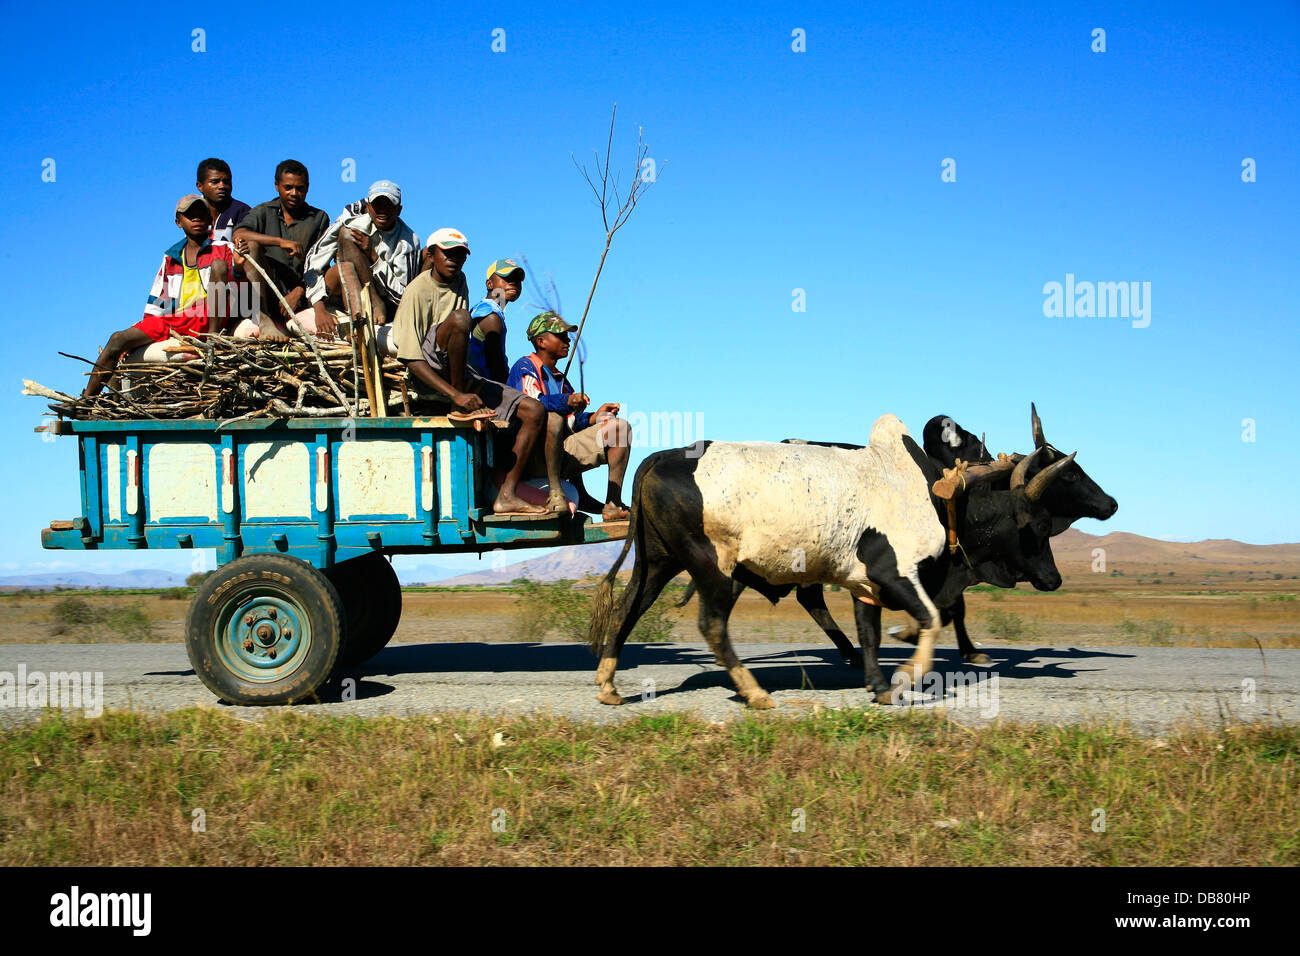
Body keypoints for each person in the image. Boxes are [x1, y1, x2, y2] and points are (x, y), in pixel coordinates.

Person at [392, 229, 550, 515]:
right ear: (431, 255)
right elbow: (410, 357)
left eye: (460, 255)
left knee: (534, 411)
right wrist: (457, 395)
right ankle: (458, 405)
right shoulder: (419, 291)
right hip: (428, 366)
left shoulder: (460, 282)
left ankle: (507, 494)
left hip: (458, 371)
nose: (454, 260)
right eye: (447, 253)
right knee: (461, 318)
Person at [84, 195, 234, 397]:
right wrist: (140, 337)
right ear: (178, 222)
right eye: (190, 216)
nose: (197, 220)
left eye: (201, 215)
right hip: (177, 320)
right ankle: (87, 399)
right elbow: (157, 302)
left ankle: (212, 341)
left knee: (219, 267)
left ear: (210, 220)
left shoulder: (223, 249)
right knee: (118, 339)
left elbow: (236, 286)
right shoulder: (171, 257)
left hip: (211, 316)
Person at [507, 312, 632, 520]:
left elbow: (573, 422)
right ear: (541, 341)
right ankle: (556, 494)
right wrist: (566, 401)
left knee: (619, 428)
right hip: (531, 456)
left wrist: (595, 418)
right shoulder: (525, 367)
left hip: (560, 452)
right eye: (561, 336)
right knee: (552, 419)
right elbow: (533, 405)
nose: (567, 341)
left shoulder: (561, 380)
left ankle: (613, 504)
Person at [302, 180, 421, 336]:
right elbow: (315, 258)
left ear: (399, 210)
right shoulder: (353, 220)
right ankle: (362, 312)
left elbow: (402, 296)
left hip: (386, 300)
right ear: (369, 207)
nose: (382, 211)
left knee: (348, 253)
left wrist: (372, 254)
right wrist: (318, 307)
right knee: (346, 237)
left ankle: (369, 310)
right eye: (378, 205)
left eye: (389, 206)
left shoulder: (408, 241)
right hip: (341, 287)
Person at [231, 160, 330, 342]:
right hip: (269, 290)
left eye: (300, 188)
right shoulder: (263, 211)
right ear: (277, 186)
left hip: (302, 291)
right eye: (288, 187)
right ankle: (263, 316)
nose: (294, 193)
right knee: (251, 246)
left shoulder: (319, 218)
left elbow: (322, 263)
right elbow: (239, 234)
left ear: (307, 188)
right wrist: (280, 242)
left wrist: (299, 291)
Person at [467, 258, 524, 381]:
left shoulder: (486, 309)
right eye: (507, 278)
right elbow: (496, 366)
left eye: (517, 280)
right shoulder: (490, 315)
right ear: (489, 284)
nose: (513, 282)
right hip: (482, 385)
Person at [195, 158, 251, 246]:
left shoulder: (241, 211)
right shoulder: (192, 211)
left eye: (227, 182)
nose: (222, 186)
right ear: (200, 186)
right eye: (215, 182)